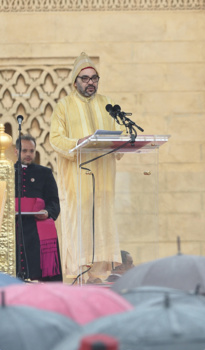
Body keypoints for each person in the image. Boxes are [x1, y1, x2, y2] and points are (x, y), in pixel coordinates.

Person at [50, 52, 123, 281]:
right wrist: (78, 143)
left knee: (103, 225)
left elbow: (116, 138)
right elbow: (55, 139)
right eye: (85, 78)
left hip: (104, 183)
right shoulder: (64, 105)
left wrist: (122, 143)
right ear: (75, 82)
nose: (90, 82)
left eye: (94, 78)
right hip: (78, 183)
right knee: (80, 227)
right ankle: (79, 278)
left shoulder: (107, 104)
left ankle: (100, 277)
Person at [0, 135, 62, 281]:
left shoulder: (45, 173)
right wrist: (7, 212)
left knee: (43, 276)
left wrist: (47, 212)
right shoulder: (6, 172)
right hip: (13, 230)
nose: (29, 154)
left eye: (32, 151)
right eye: (25, 150)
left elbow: (54, 202)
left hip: (38, 230)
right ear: (16, 151)